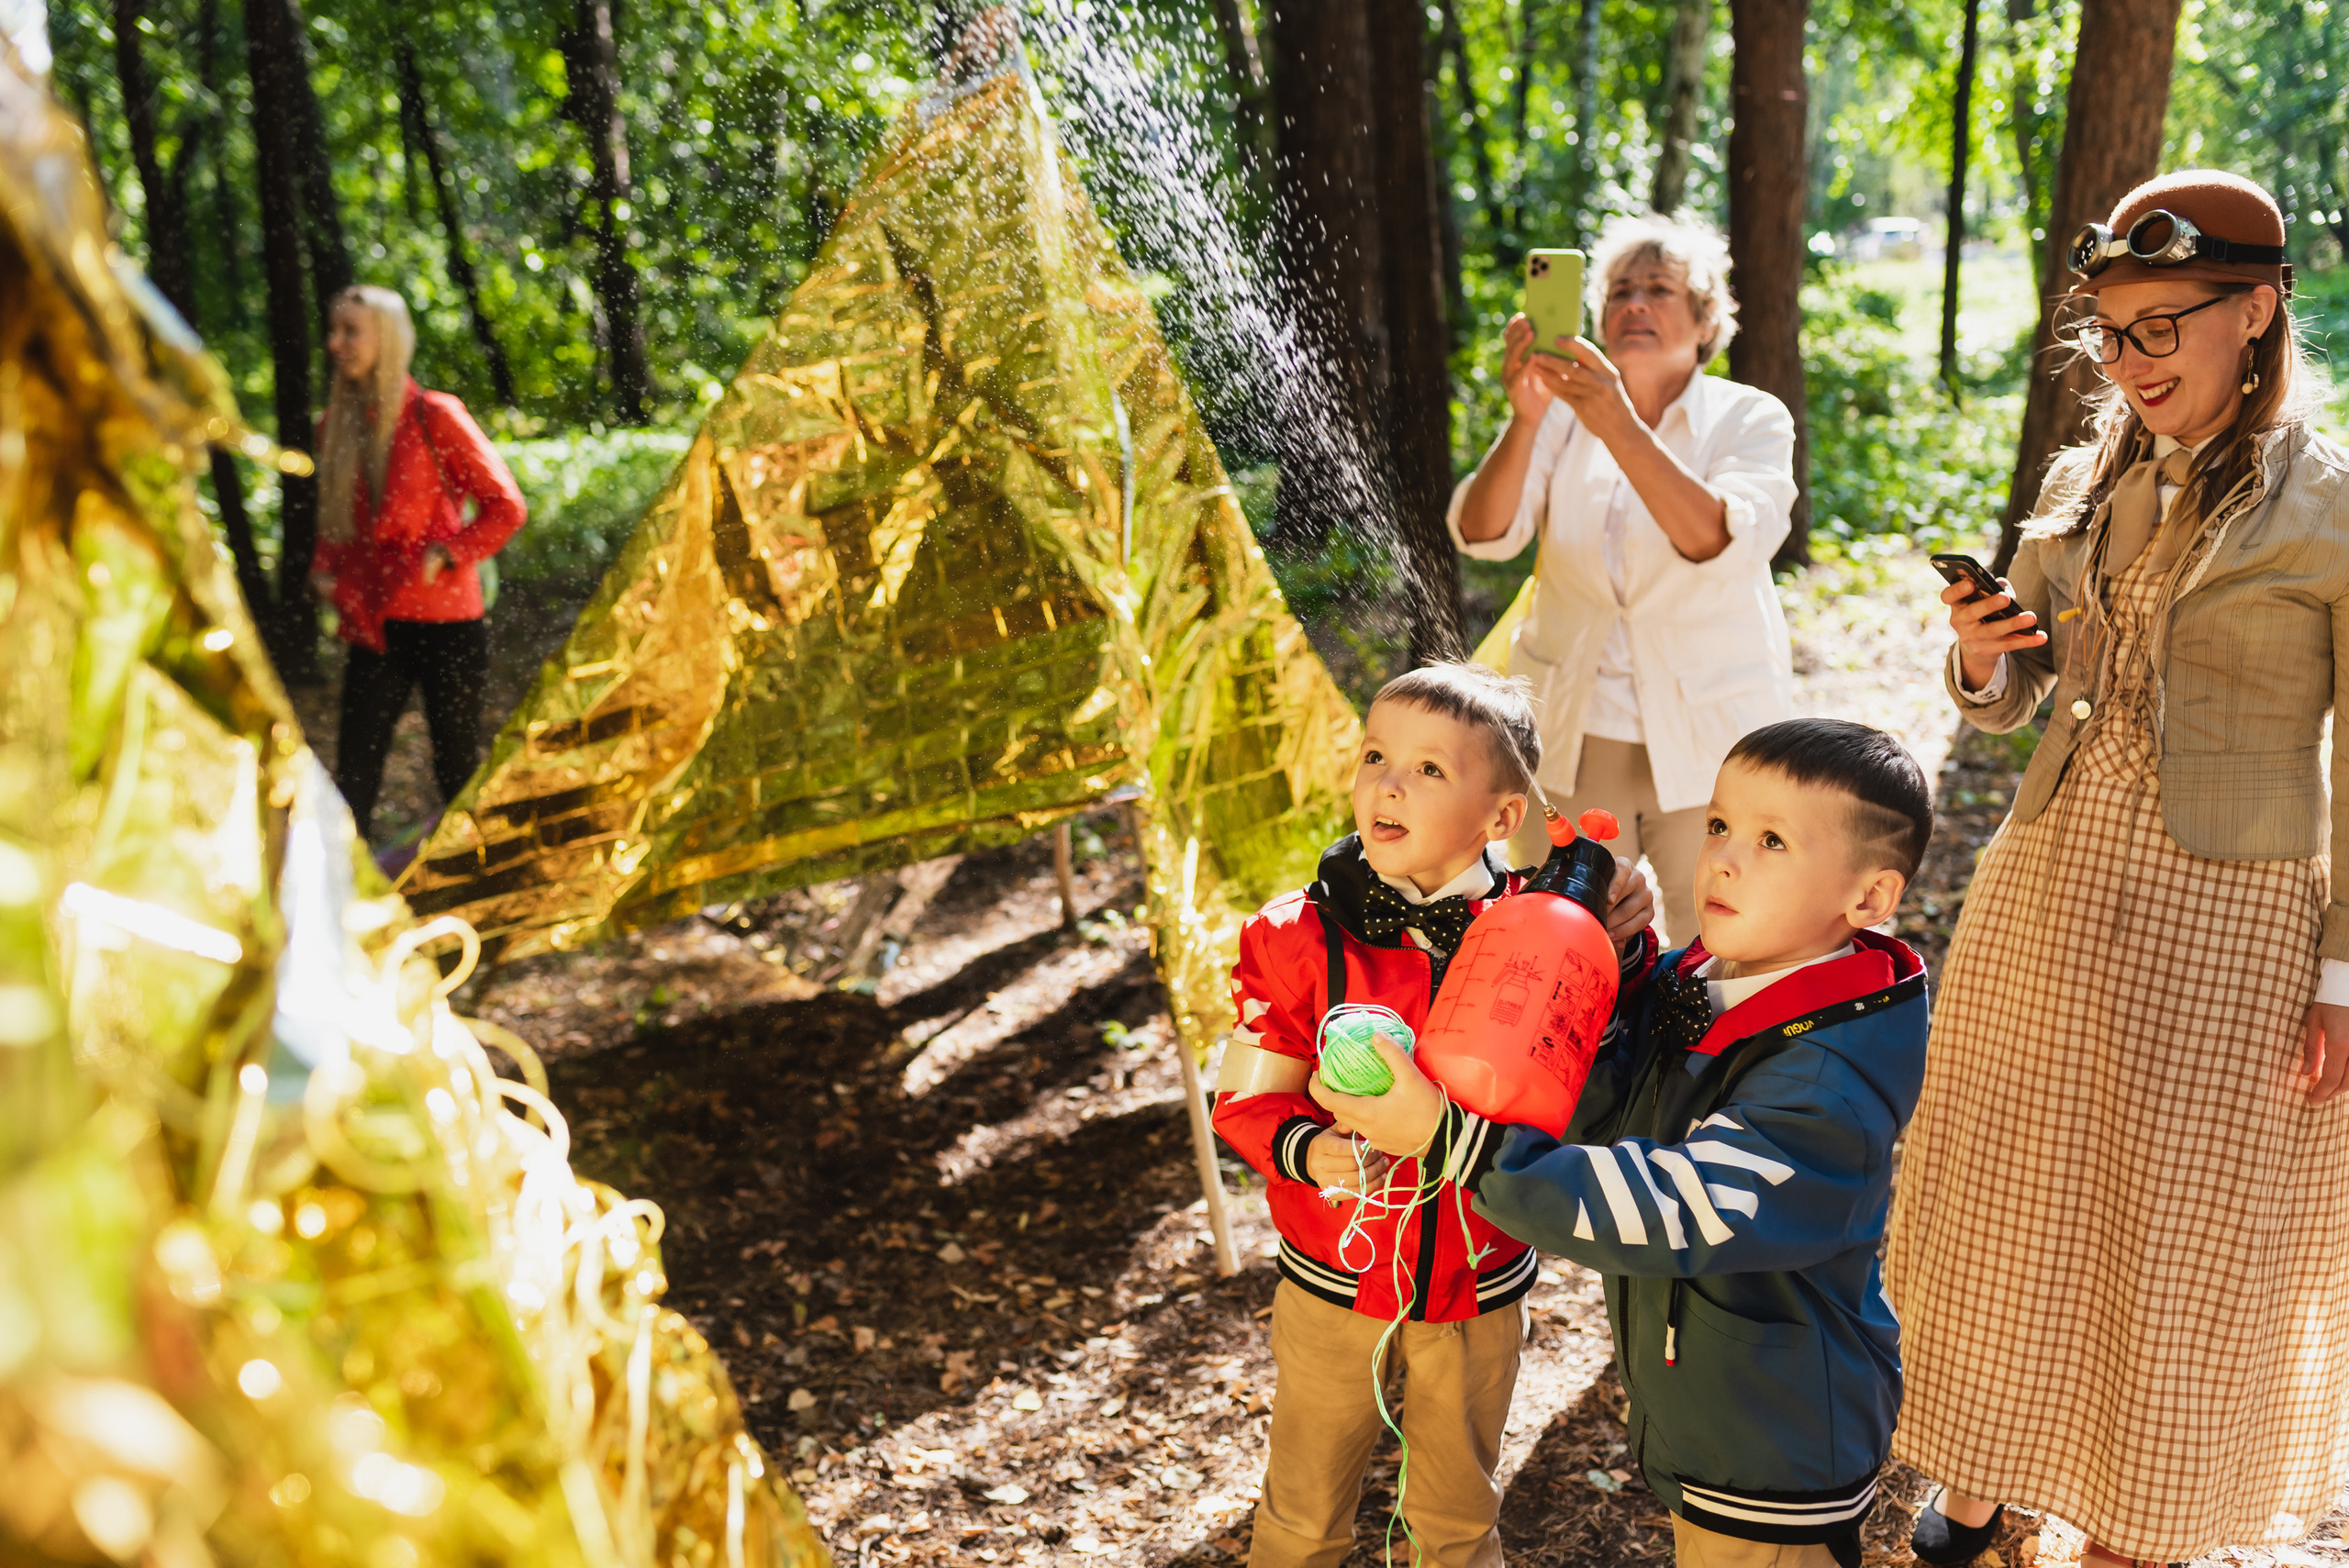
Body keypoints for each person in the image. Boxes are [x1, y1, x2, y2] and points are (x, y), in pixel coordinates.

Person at [1886, 170, 2349, 1568]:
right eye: (2113, 333)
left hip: (2234, 914)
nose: (2134, 362)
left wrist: (2344, 973)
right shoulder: (2086, 478)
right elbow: (2012, 694)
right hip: (2053, 885)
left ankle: (2140, 1526)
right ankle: (1989, 1478)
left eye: (2166, 326)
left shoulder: (2331, 508)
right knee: (2012, 1197)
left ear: (2258, 312)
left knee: (2185, 1240)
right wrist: (1982, 646)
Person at [1319, 717, 1933, 1568]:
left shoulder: (1829, 1079)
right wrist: (1615, 960)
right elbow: (1617, 1104)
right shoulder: (1710, 980)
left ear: (1867, 900)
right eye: (1719, 824)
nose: (1722, 857)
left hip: (1778, 1441)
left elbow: (1673, 1206)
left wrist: (1454, 1143)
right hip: (1711, 1410)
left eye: (1772, 840)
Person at [1213, 662, 1653, 1568]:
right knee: (1299, 1514)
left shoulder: (1541, 934)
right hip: (1331, 1287)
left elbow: (1595, 1069)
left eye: (1427, 769)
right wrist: (1301, 1147)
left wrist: (1621, 950)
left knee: (1456, 1520)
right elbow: (1244, 1093)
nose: (1386, 781)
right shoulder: (1292, 936)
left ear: (1499, 819)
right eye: (1376, 755)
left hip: (1475, 1286)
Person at [1449, 213, 1798, 942]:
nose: (1634, 303)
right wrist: (1523, 419)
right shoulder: (1558, 418)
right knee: (1565, 942)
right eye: (1619, 291)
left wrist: (1618, 425)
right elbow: (1482, 533)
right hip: (1573, 730)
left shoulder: (1750, 416)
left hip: (1714, 736)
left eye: (1659, 289)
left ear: (1705, 322)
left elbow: (1720, 536)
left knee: (1722, 944)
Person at [308, 284, 526, 841]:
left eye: (350, 331)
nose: (336, 344)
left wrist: (447, 552)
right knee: (354, 773)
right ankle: (346, 902)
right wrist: (326, 573)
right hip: (375, 623)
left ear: (386, 336)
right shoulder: (334, 426)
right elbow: (336, 525)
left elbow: (506, 507)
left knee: (457, 769)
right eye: (333, 331)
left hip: (448, 625)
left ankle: (477, 890)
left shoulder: (436, 415)